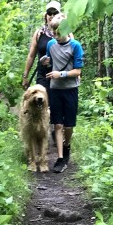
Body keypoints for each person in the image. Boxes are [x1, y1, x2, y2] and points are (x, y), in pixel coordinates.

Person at [45, 14, 84, 173]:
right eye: (53, 32)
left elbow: (78, 71)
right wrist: (46, 63)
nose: (55, 35)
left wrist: (60, 74)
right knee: (57, 124)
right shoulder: (50, 45)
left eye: (58, 32)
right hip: (55, 89)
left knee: (68, 125)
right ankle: (60, 158)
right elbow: (50, 63)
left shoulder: (75, 46)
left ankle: (67, 146)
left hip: (70, 89)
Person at [21, 0, 62, 91]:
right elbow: (31, 56)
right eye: (49, 13)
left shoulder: (66, 32)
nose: (52, 16)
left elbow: (72, 53)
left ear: (59, 15)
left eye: (55, 13)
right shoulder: (39, 33)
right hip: (43, 76)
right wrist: (25, 76)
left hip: (60, 76)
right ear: (46, 15)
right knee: (41, 99)